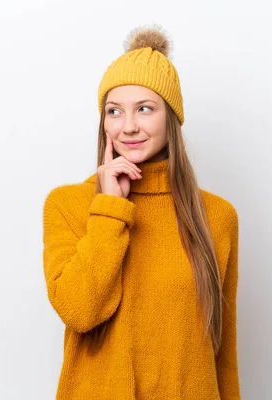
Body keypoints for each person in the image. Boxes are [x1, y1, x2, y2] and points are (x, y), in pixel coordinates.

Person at [42, 24, 241, 400]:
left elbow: (223, 354)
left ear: (171, 118)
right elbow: (80, 310)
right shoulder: (69, 204)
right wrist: (110, 209)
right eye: (114, 111)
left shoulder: (217, 216)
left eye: (144, 109)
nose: (127, 126)